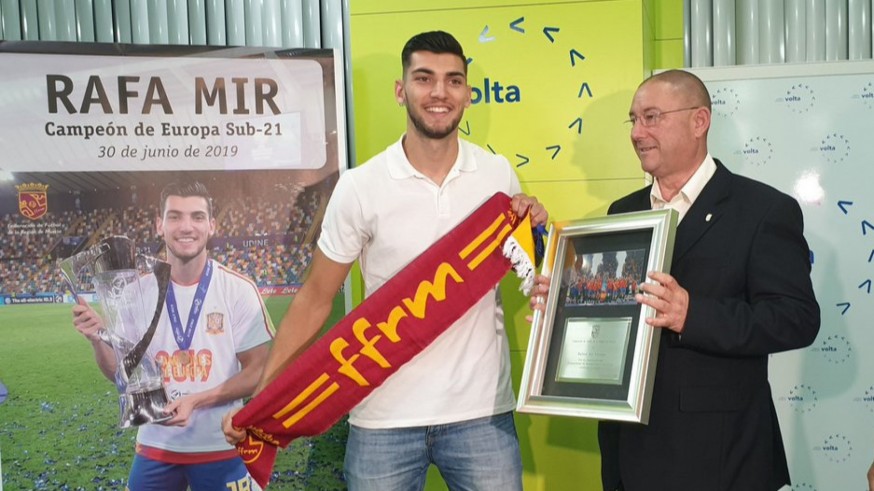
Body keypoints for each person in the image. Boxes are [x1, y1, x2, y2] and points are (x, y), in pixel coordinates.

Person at [223, 30, 547, 491]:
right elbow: (314, 299)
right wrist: (259, 401)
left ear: (468, 95)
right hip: (383, 419)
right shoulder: (360, 185)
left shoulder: (497, 176)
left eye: (453, 81)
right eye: (424, 78)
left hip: (481, 415)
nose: (439, 92)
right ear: (401, 91)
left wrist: (536, 227)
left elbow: (531, 268)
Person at [532, 69, 820, 490]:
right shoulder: (623, 211)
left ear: (699, 121)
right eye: (633, 119)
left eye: (651, 117)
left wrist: (692, 314)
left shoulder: (763, 210)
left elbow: (796, 319)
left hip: (722, 456)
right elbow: (615, 312)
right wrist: (563, 305)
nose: (637, 132)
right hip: (629, 448)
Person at [72, 180, 273, 491]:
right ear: (159, 225)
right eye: (175, 216)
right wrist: (98, 338)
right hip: (156, 445)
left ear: (212, 225)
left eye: (196, 216)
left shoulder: (238, 290)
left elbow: (259, 371)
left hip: (221, 443)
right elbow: (119, 374)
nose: (186, 227)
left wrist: (198, 400)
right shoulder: (134, 291)